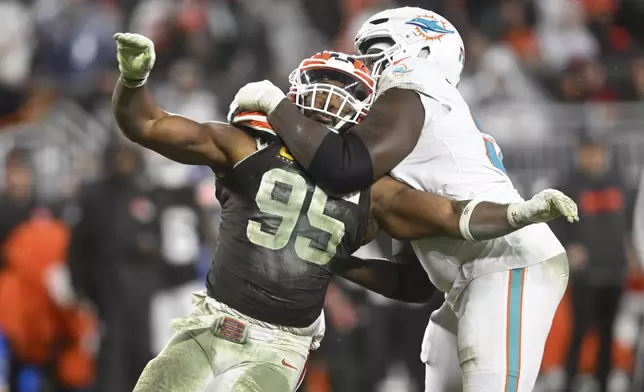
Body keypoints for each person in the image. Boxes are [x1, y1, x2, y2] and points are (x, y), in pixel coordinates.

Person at [112, 32, 577, 392]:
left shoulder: (375, 186)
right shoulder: (246, 143)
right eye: (321, 83)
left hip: (281, 345)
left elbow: (453, 215)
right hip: (211, 320)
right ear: (296, 87)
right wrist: (133, 81)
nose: (329, 96)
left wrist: (519, 213)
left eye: (344, 88)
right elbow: (147, 124)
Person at [232, 7, 573, 392]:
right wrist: (335, 261)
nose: (367, 66)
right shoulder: (412, 147)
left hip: (507, 263)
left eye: (376, 50)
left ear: (424, 51)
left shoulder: (414, 88)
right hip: (465, 284)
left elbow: (343, 167)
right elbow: (414, 283)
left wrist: (276, 106)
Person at [554, 135, 630, 392]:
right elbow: (553, 221)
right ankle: (569, 382)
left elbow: (629, 222)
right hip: (586, 274)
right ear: (581, 154)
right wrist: (568, 246)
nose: (594, 158)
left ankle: (604, 383)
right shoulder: (568, 185)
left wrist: (630, 250)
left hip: (614, 270)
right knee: (580, 331)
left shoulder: (618, 183)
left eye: (598, 152)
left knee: (608, 334)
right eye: (589, 152)